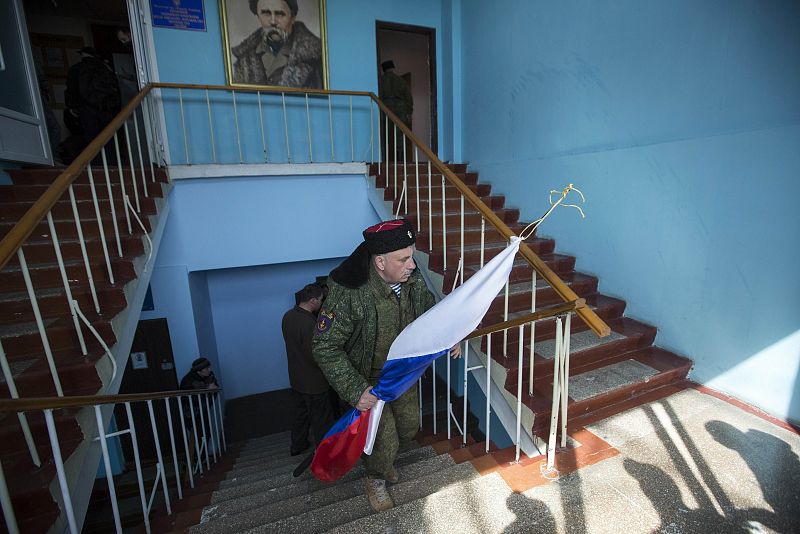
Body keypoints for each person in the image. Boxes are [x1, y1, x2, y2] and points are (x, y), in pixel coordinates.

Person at [313, 219, 460, 512]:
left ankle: (385, 460)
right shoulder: (349, 292)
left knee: (408, 427)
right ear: (380, 262)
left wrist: (447, 335)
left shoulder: (411, 278)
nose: (412, 265)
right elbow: (324, 346)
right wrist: (355, 389)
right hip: (367, 381)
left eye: (412, 256)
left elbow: (426, 311)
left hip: (399, 375)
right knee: (384, 438)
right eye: (403, 259)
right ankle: (376, 478)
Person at [282, 283, 334, 456]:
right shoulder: (311, 323)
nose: (321, 303)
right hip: (314, 382)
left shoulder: (288, 316)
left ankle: (297, 446)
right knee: (321, 419)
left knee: (300, 416)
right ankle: (325, 452)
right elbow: (317, 356)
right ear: (312, 301)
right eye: (320, 300)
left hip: (296, 378)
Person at [232, 0, 323, 88]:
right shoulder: (245, 58)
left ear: (292, 17)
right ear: (258, 17)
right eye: (266, 13)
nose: (273, 22)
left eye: (280, 14)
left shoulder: (315, 58)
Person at [64, 47, 121, 151]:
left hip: (87, 109)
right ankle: (112, 163)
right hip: (107, 108)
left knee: (92, 139)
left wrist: (72, 107)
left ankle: (98, 164)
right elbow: (115, 88)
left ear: (83, 55)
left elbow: (71, 90)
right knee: (109, 137)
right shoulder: (106, 68)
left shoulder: (76, 68)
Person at [379, 60, 413, 128]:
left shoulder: (380, 80)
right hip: (401, 108)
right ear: (392, 68)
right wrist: (409, 112)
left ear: (384, 69)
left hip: (386, 106)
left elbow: (379, 95)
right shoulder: (401, 80)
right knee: (400, 131)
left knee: (385, 130)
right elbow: (408, 96)